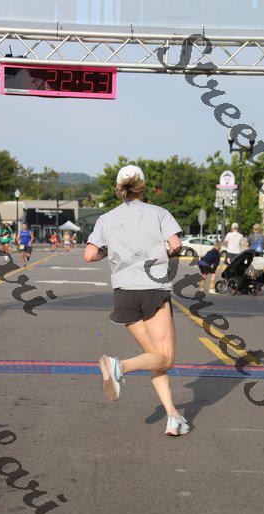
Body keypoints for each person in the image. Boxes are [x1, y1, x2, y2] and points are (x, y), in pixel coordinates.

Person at [84, 164, 189, 437]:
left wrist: (110, 253)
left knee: (155, 358)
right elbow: (176, 245)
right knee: (166, 358)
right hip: (153, 289)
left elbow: (90, 255)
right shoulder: (159, 213)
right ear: (142, 187)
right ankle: (120, 366)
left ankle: (173, 417)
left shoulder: (106, 219)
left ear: (119, 189)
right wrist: (162, 254)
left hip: (124, 293)